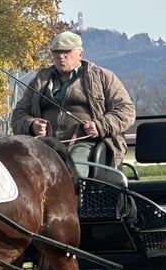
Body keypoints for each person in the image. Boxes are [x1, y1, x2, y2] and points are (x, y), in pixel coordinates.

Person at [10, 31, 136, 176]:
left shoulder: (102, 78)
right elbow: (18, 115)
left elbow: (126, 111)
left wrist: (100, 125)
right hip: (46, 144)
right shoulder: (40, 81)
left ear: (80, 54)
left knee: (74, 173)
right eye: (56, 52)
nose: (60, 57)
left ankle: (78, 198)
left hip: (86, 144)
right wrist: (31, 125)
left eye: (66, 52)